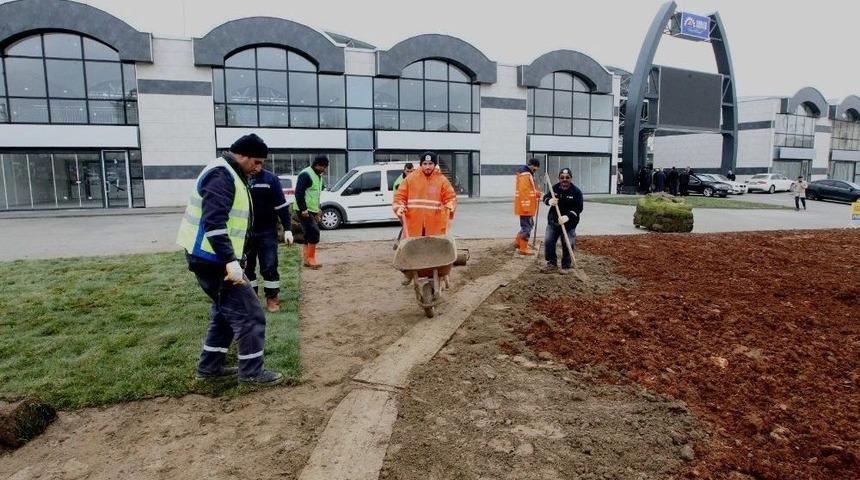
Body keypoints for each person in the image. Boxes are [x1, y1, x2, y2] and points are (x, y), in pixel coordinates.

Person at [176, 133, 282, 386]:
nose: (259, 168)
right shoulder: (222, 175)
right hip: (213, 260)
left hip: (211, 258)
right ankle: (252, 373)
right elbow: (214, 223)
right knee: (250, 313)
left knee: (224, 314)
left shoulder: (231, 173)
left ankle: (209, 368)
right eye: (256, 162)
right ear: (241, 155)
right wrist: (229, 261)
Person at [245, 167, 294, 313]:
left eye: (259, 162)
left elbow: (281, 205)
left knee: (269, 265)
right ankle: (251, 300)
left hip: (267, 231)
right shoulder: (241, 178)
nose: (256, 166)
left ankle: (272, 298)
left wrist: (288, 228)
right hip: (245, 232)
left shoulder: (270, 179)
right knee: (247, 267)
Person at [392, 151, 457, 237]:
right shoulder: (410, 179)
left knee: (433, 249)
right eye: (425, 163)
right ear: (421, 164)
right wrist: (399, 207)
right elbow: (399, 197)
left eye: (430, 164)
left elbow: (451, 197)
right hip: (413, 225)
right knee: (414, 249)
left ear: (434, 164)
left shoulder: (442, 180)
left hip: (434, 226)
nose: (427, 167)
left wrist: (450, 204)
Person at [540, 168, 583, 275]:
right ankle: (551, 264)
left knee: (568, 242)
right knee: (549, 241)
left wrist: (568, 217)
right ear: (559, 178)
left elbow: (579, 208)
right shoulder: (555, 188)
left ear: (571, 178)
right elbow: (545, 197)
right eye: (562, 178)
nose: (564, 180)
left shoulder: (576, 192)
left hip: (569, 224)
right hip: (553, 222)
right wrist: (549, 201)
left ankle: (566, 266)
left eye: (567, 177)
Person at [292, 156, 328, 269]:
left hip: (312, 210)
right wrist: (303, 209)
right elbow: (298, 193)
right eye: (324, 167)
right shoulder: (306, 174)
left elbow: (315, 195)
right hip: (303, 210)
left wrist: (318, 210)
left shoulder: (318, 176)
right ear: (318, 165)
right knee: (314, 232)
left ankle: (307, 260)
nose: (325, 169)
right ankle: (311, 259)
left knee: (308, 233)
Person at [513, 158, 541, 256]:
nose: (536, 170)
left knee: (528, 225)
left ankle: (518, 242)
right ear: (532, 165)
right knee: (527, 227)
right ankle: (523, 248)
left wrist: (536, 193)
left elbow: (528, 190)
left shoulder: (526, 173)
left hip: (526, 206)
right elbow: (523, 192)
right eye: (535, 168)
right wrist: (526, 207)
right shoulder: (525, 174)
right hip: (526, 207)